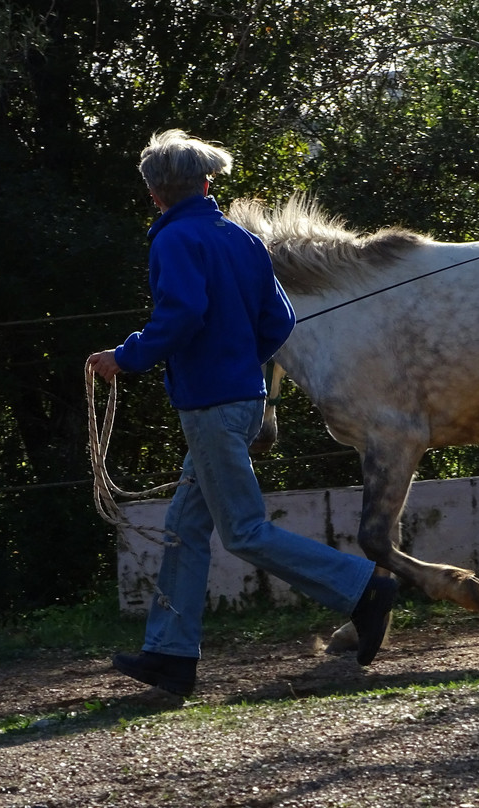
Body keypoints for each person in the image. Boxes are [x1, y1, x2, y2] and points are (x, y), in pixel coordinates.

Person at [87, 129, 397, 697]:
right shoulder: (243, 241)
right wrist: (240, 364)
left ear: (155, 192)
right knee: (185, 529)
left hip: (210, 406)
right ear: (206, 183)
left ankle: (362, 588)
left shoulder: (174, 242)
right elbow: (278, 323)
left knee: (244, 531)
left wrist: (125, 357)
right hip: (246, 399)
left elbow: (180, 315)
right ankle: (170, 657)